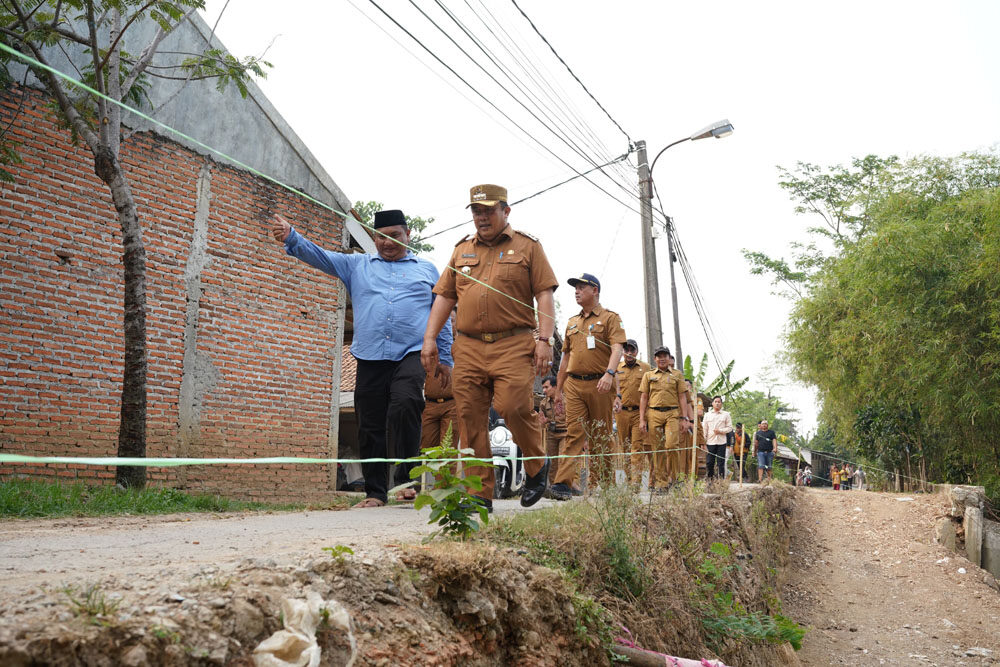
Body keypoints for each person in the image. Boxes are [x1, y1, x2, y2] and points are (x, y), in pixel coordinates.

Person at [270, 210, 453, 508]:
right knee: (369, 422)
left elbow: (442, 315)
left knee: (406, 403)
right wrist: (292, 236)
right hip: (370, 355)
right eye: (380, 237)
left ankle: (407, 481)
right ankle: (375, 493)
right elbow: (320, 256)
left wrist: (444, 357)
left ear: (408, 235)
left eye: (394, 236)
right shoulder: (357, 265)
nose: (387, 242)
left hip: (411, 352)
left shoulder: (428, 270)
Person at [421, 184, 558, 511]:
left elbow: (544, 294)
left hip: (513, 344)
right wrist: (429, 339)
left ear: (505, 211)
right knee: (469, 419)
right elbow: (445, 296)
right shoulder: (461, 250)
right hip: (467, 347)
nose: (481, 217)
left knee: (513, 406)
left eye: (489, 211)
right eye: (476, 211)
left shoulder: (528, 247)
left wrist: (545, 339)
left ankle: (537, 466)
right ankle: (479, 495)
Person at [550, 273, 625, 500]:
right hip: (574, 385)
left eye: (582, 287)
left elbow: (617, 348)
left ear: (595, 291)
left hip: (600, 385)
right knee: (574, 433)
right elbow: (564, 359)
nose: (576, 291)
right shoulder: (572, 322)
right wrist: (559, 390)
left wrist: (610, 373)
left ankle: (605, 483)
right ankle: (563, 484)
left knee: (600, 435)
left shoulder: (610, 318)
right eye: (575, 288)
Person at [639, 346, 692, 491]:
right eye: (659, 356)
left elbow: (682, 397)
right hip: (653, 413)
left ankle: (674, 479)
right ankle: (661, 483)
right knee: (657, 449)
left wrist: (684, 418)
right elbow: (644, 397)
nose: (662, 358)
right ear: (655, 359)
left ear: (669, 358)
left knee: (671, 446)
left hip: (672, 413)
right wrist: (642, 419)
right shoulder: (648, 375)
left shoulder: (677, 374)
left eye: (665, 355)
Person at [614, 339, 651, 487]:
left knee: (637, 447)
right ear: (623, 352)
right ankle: (629, 480)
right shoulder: (616, 368)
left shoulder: (646, 368)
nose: (629, 353)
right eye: (626, 350)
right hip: (621, 413)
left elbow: (650, 392)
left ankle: (636, 482)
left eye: (632, 350)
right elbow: (611, 391)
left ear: (636, 352)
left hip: (639, 414)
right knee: (625, 447)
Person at [538, 375, 579, 495]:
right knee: (552, 463)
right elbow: (542, 420)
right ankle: (554, 488)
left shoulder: (567, 399)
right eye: (543, 388)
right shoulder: (543, 403)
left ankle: (569, 486)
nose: (544, 390)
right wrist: (544, 422)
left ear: (555, 387)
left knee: (563, 459)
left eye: (547, 387)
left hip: (565, 433)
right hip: (551, 434)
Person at [702, 396, 733, 480]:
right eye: (715, 401)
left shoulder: (726, 414)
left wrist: (720, 431)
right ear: (712, 403)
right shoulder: (707, 415)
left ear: (721, 404)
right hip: (710, 442)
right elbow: (704, 429)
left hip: (721, 442)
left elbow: (730, 428)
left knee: (721, 463)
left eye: (719, 402)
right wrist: (703, 443)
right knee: (709, 462)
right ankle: (710, 481)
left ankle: (721, 482)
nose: (717, 403)